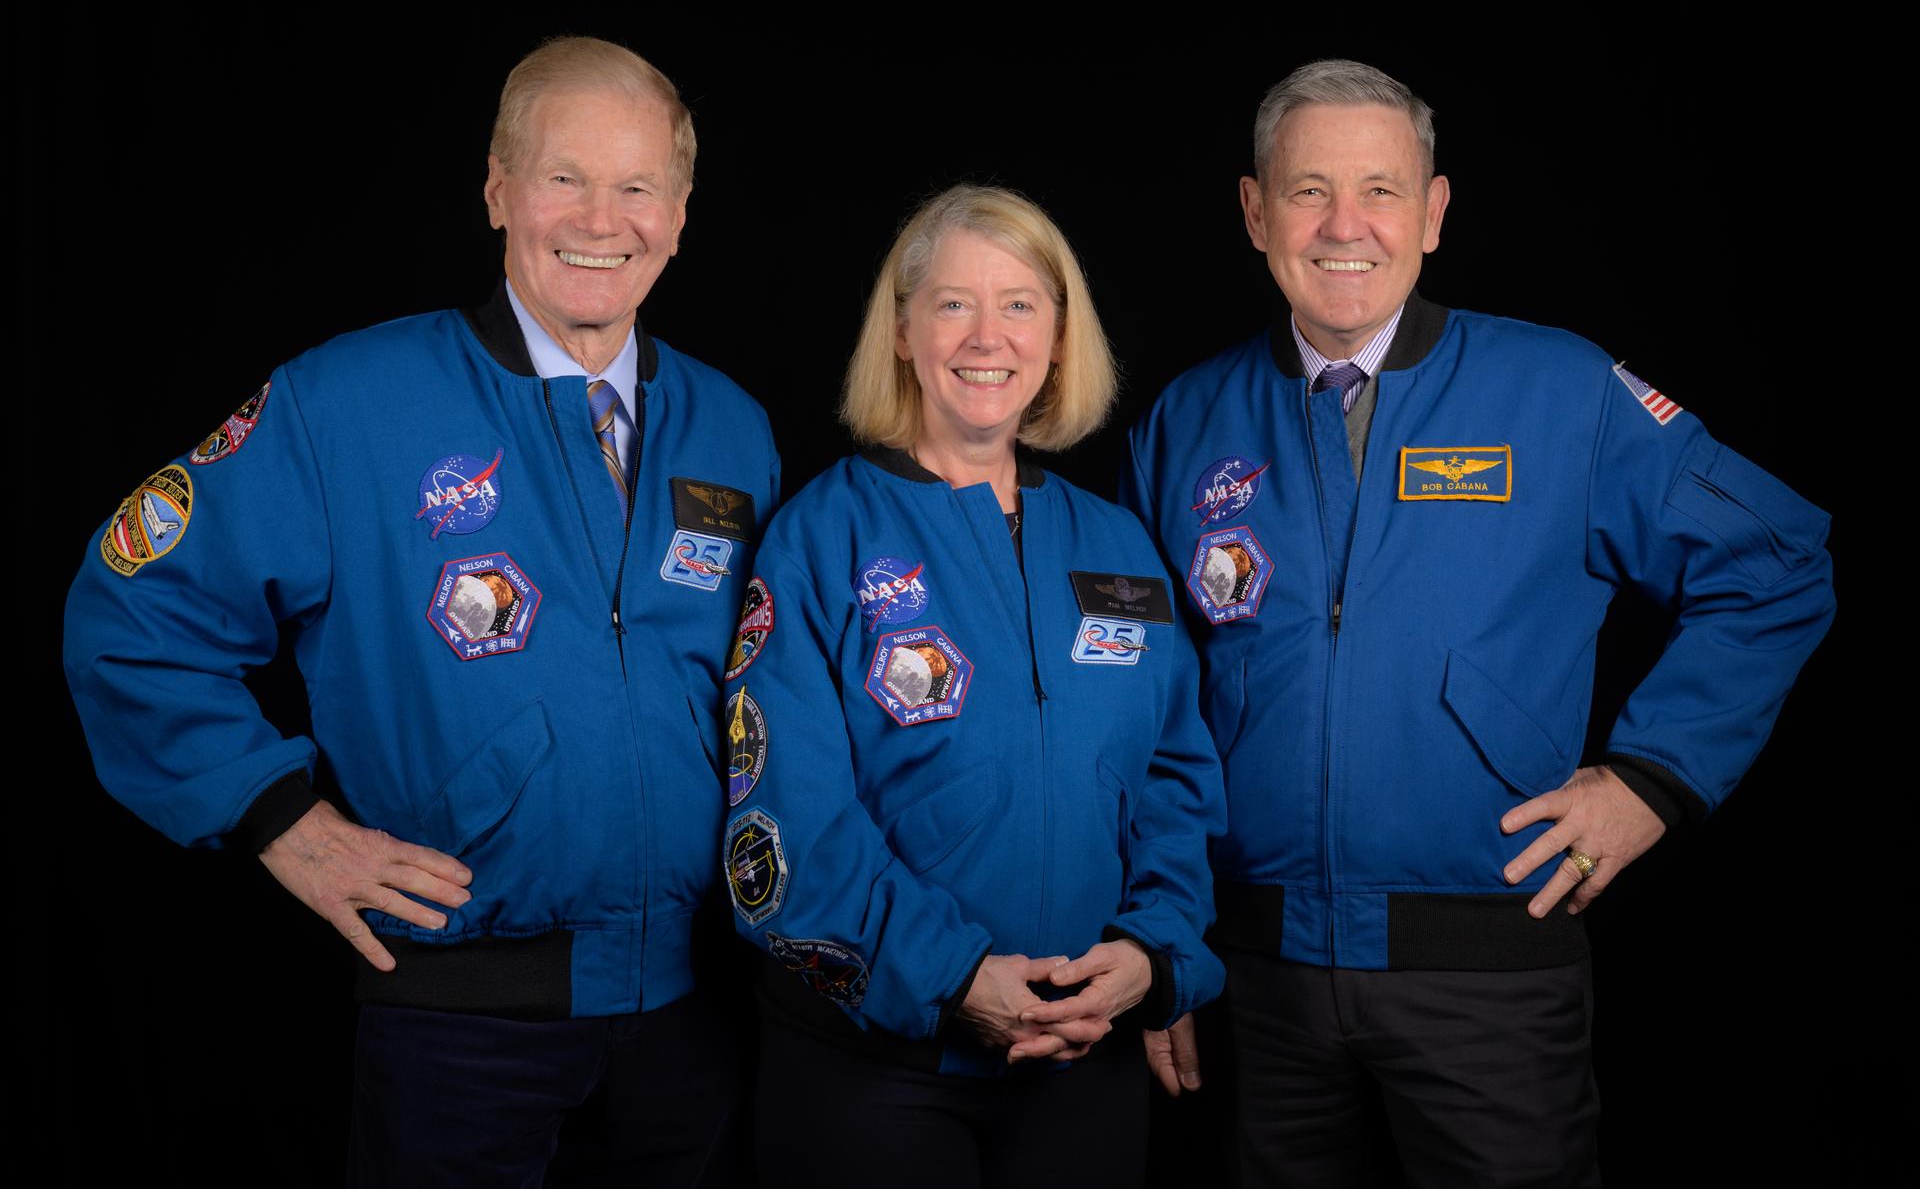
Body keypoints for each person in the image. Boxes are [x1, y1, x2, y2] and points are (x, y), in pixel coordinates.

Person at [63, 36, 779, 1186]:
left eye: (637, 185)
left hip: (695, 1018)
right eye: (564, 177)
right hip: (461, 1023)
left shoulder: (734, 430)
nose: (603, 217)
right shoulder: (347, 404)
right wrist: (275, 815)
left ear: (681, 214)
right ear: (497, 188)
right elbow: (129, 609)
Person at [1120, 60, 1835, 1186]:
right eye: (1308, 190)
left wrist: (1653, 777)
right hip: (1254, 980)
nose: (1344, 225)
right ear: (1256, 211)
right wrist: (1164, 945)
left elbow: (1778, 560)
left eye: (1381, 190)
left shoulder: (1559, 390)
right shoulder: (1185, 418)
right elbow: (1144, 709)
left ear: (1435, 213)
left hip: (1488, 977)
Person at [720, 185, 1225, 1186]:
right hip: (873, 1075)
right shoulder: (821, 538)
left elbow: (1176, 778)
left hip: (1086, 1063)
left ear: (1058, 334)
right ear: (901, 330)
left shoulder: (1116, 545)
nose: (986, 336)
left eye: (1021, 304)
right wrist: (953, 977)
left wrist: (1152, 954)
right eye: (952, 302)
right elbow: (783, 822)